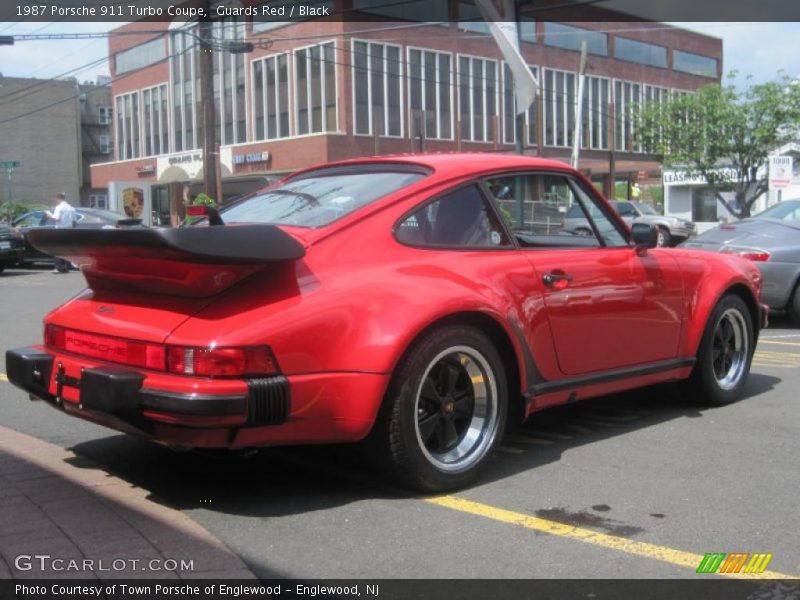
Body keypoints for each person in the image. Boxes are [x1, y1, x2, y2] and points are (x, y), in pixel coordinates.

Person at [45, 192, 76, 273]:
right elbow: (74, 222)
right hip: (69, 231)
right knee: (67, 249)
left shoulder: (59, 207)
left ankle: (59, 267)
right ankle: (67, 266)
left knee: (57, 249)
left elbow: (56, 218)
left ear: (58, 199)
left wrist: (48, 215)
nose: (56, 201)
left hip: (60, 230)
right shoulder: (71, 208)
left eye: (56, 199)